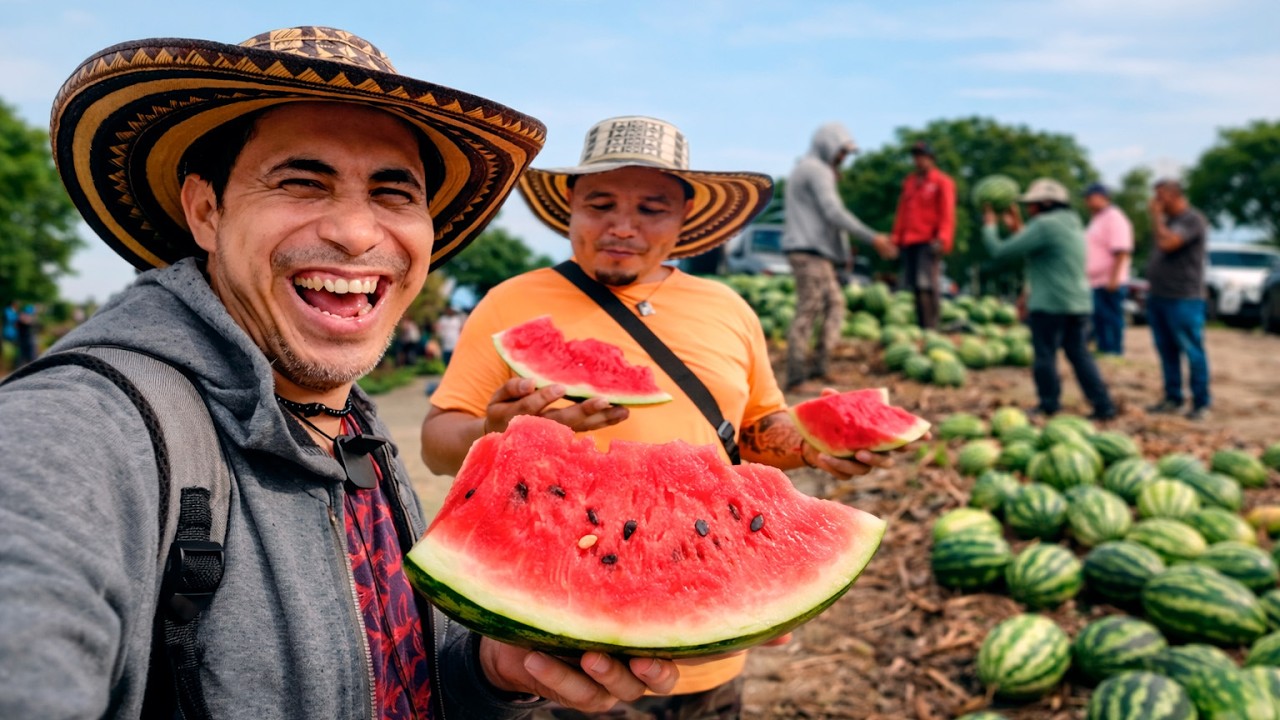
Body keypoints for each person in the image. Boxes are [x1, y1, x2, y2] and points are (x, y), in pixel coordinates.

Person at [0, 27, 681, 718]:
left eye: (393, 193)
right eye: (301, 182)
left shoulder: (352, 421)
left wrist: (489, 667)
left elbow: (393, 670)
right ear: (206, 211)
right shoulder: (81, 427)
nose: (357, 234)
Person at [421, 115, 904, 720]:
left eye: (652, 209)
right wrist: (495, 431)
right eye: (600, 204)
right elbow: (438, 442)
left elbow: (755, 434)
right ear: (570, 207)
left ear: (684, 219)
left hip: (711, 649)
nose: (623, 226)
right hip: (564, 651)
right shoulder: (511, 303)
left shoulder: (729, 308)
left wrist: (809, 440)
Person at [982, 179, 1117, 420]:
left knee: (1045, 356)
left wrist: (990, 226)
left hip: (1051, 304)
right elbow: (1040, 248)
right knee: (1079, 354)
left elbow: (1000, 251)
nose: (1028, 208)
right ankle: (1103, 405)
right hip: (1078, 303)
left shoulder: (1044, 225)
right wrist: (1018, 228)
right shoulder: (1072, 223)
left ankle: (1049, 404)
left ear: (1045, 203)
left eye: (1032, 204)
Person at [781, 122, 893, 390]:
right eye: (841, 153)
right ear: (827, 146)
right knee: (809, 309)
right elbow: (834, 212)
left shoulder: (809, 169)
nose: (843, 159)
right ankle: (796, 377)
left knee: (834, 304)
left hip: (814, 252)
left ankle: (819, 368)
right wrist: (873, 237)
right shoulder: (817, 171)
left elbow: (825, 215)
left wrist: (842, 252)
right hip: (808, 252)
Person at [1145, 178, 1211, 419]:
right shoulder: (1170, 221)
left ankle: (1201, 403)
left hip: (1184, 298)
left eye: (1159, 196)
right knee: (1167, 350)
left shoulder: (1192, 220)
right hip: (1159, 296)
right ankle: (1173, 398)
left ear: (1173, 196)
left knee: (1192, 350)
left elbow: (1169, 244)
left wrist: (1156, 218)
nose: (1155, 202)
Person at [890, 140, 955, 329]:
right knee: (911, 286)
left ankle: (930, 326)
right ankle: (919, 325)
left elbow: (947, 213)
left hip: (929, 240)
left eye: (922, 157)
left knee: (926, 284)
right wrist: (896, 237)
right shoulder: (910, 182)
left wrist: (943, 238)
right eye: (916, 157)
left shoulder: (942, 182)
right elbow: (902, 211)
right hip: (910, 240)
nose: (918, 161)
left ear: (931, 159)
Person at [1083, 182, 1134, 355]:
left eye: (1091, 198)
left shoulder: (1114, 217)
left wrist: (1114, 279)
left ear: (1103, 197)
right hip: (1096, 281)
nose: (1088, 202)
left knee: (1111, 318)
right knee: (1099, 320)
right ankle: (1104, 349)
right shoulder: (1097, 219)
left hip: (1109, 281)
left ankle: (1114, 351)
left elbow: (1121, 251)